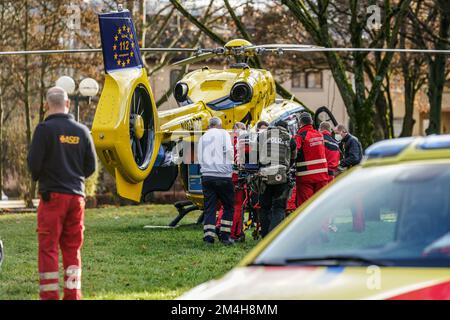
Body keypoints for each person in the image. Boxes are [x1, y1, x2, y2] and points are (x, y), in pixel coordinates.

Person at [27, 86, 97, 300]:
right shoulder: (82, 131)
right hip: (76, 198)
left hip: (52, 198)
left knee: (48, 248)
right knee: (72, 248)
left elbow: (33, 165)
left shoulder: (44, 130)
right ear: (67, 104)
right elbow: (91, 166)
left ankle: (49, 296)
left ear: (47, 105)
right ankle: (72, 294)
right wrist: (74, 176)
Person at [198, 117, 234, 245]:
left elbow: (199, 157)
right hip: (223, 175)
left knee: (210, 208)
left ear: (209, 126)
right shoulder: (224, 133)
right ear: (219, 125)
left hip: (207, 176)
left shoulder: (202, 137)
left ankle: (208, 237)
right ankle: (225, 236)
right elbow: (229, 151)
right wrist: (231, 165)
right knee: (228, 206)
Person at [258, 120, 296, 237]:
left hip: (265, 175)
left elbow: (256, 152)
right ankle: (273, 237)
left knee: (264, 207)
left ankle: (264, 236)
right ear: (286, 128)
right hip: (281, 176)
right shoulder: (290, 138)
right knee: (279, 207)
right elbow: (293, 157)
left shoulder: (263, 135)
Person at [216, 122, 246, 241]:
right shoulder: (242, 142)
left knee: (226, 204)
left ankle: (219, 225)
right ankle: (232, 233)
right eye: (243, 129)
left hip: (224, 176)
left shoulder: (224, 141)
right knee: (237, 205)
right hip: (237, 178)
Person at [295, 113, 328, 206]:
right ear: (312, 122)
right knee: (322, 205)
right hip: (322, 176)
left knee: (305, 207)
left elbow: (293, 153)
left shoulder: (300, 136)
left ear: (300, 124)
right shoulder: (320, 135)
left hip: (305, 178)